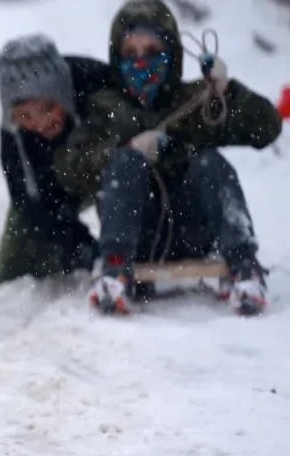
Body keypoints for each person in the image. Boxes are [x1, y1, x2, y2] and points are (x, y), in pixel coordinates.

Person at [54, 0, 282, 316]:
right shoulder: (105, 108)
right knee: (125, 164)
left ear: (171, 53)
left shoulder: (195, 100)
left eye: (151, 51)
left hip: (191, 230)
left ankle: (244, 265)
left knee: (209, 162)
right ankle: (115, 271)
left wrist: (227, 91)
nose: (141, 62)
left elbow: (266, 128)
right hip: (136, 233)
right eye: (130, 54)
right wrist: (125, 151)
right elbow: (69, 168)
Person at [0, 35, 118, 284]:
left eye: (48, 108)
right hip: (55, 188)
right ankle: (63, 261)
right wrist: (81, 247)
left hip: (109, 170)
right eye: (25, 115)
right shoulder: (13, 136)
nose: (39, 124)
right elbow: (30, 202)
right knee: (11, 271)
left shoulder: (98, 84)